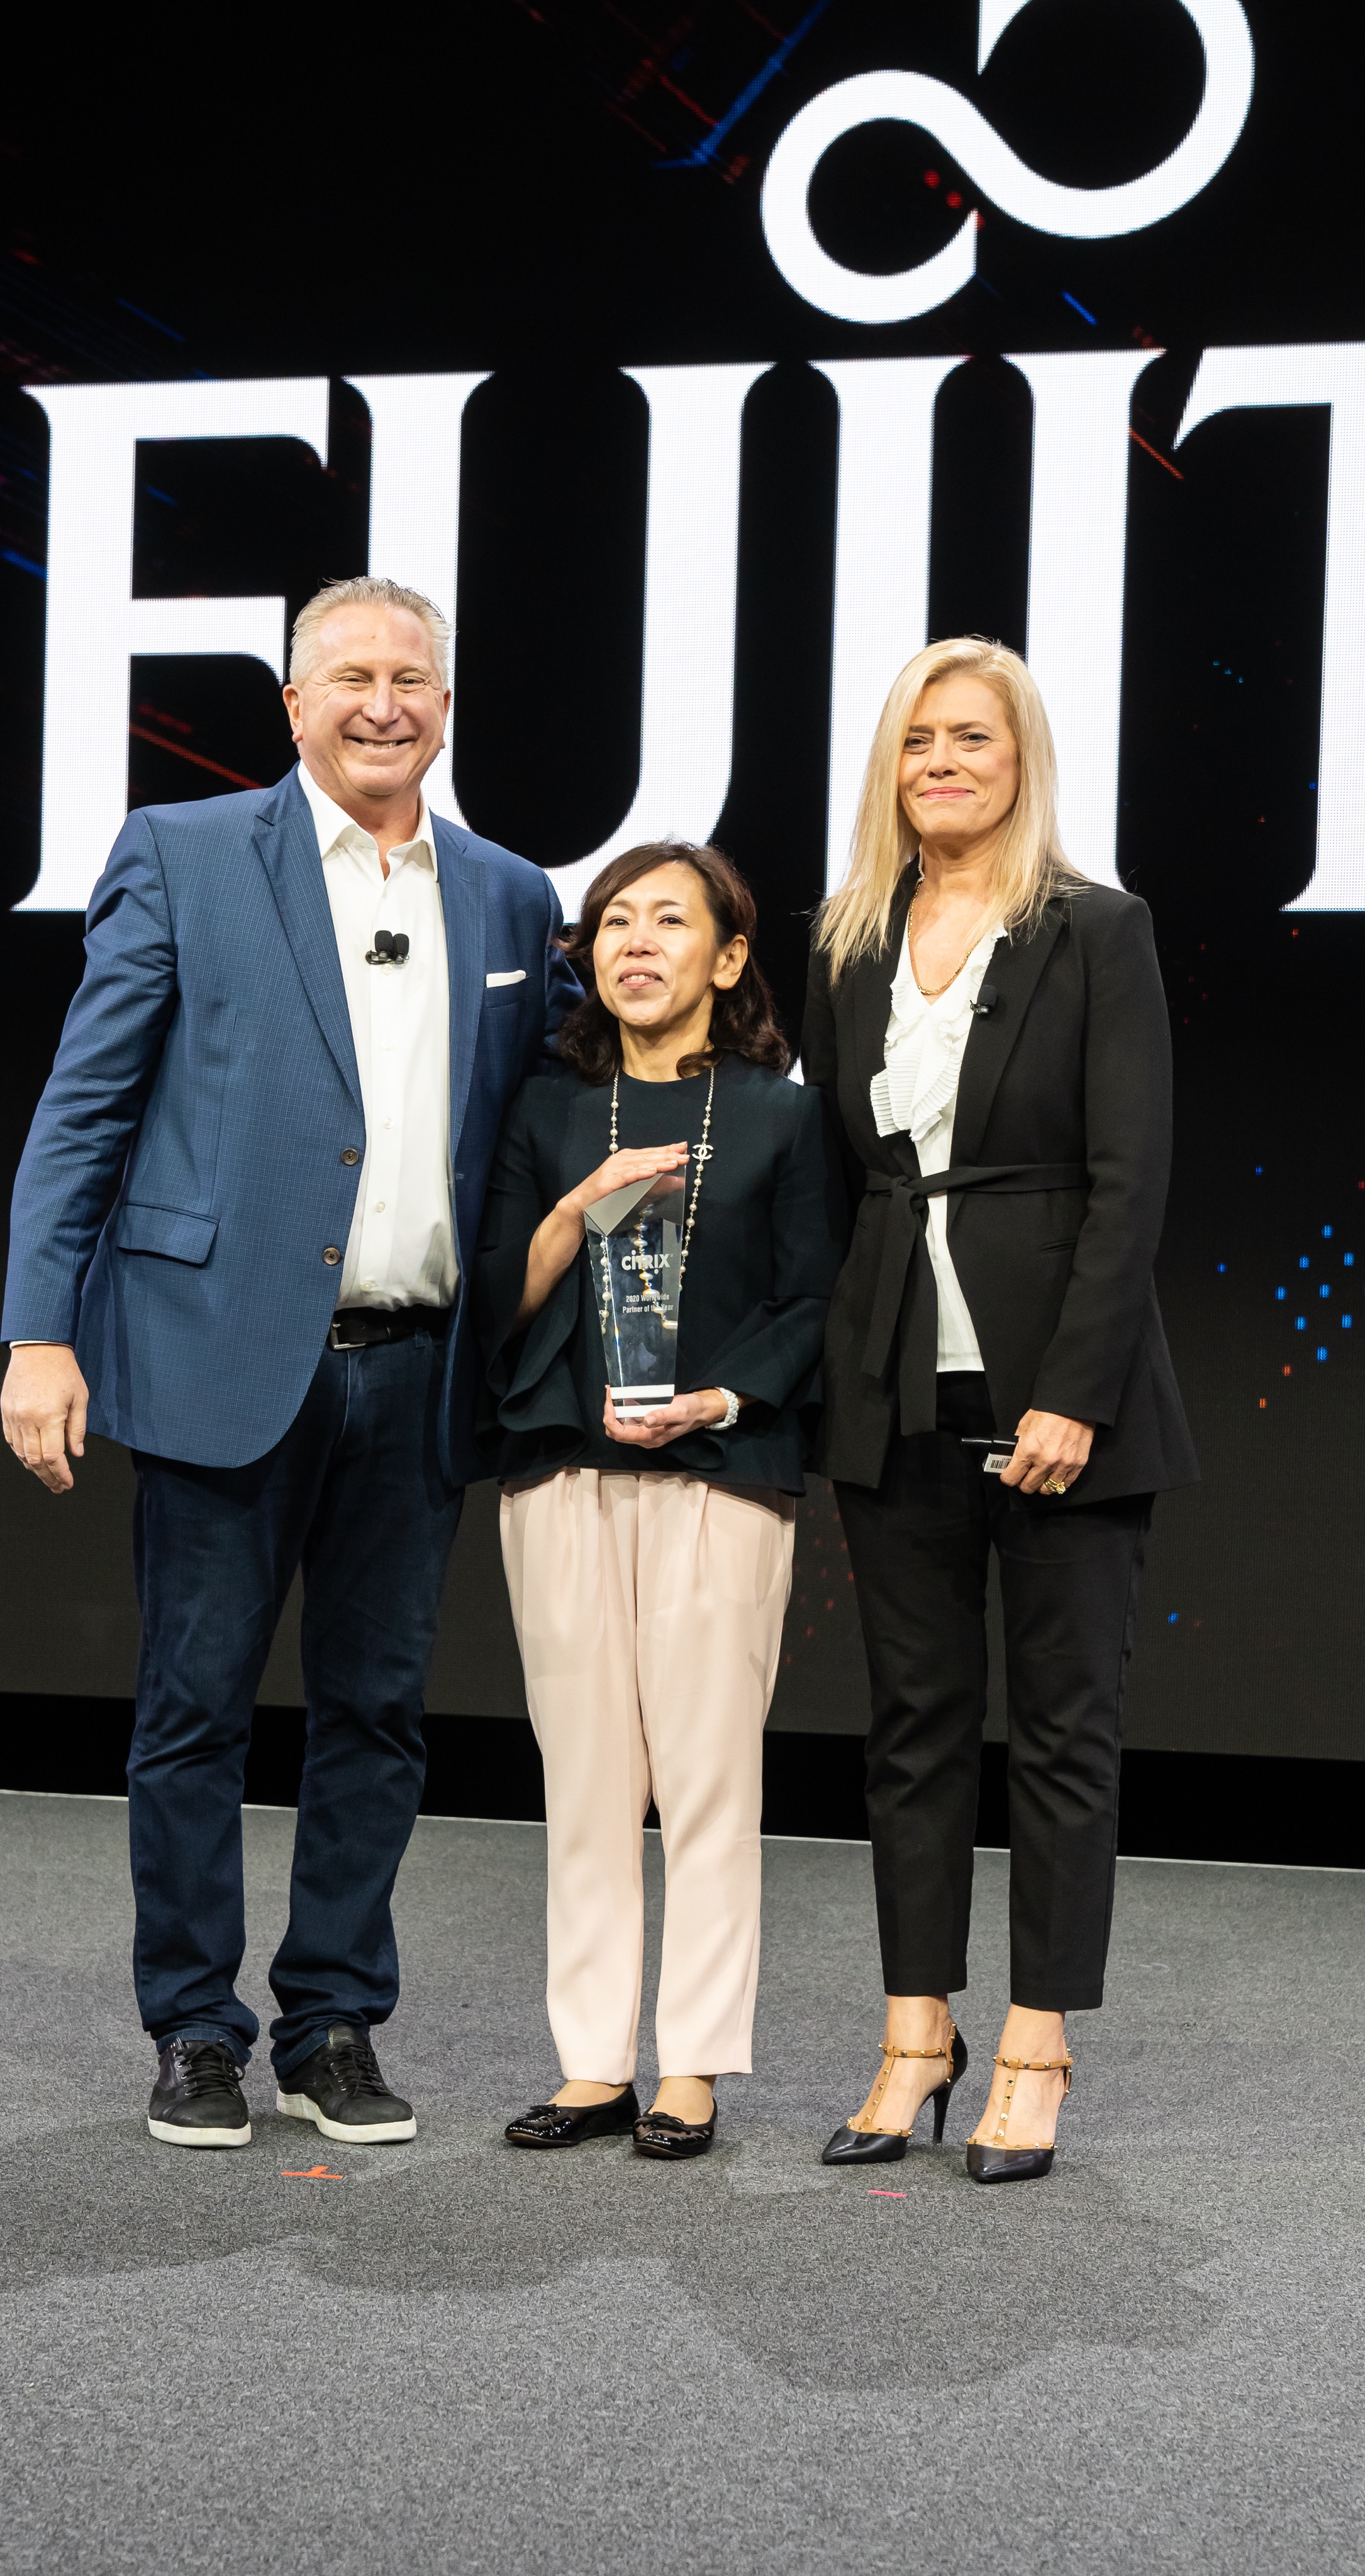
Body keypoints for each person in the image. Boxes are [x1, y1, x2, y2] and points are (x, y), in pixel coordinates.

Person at [0, 574, 582, 2151]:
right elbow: (86, 1106)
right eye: (352, 676)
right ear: (294, 702)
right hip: (213, 1355)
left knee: (378, 1711)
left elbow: (557, 1113)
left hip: (418, 1366)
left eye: (413, 676)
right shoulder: (183, 855)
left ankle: (334, 2015)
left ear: (446, 704)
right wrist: (39, 1329)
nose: (384, 702)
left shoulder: (516, 897)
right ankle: (195, 2022)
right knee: (192, 1706)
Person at [802, 637, 1198, 2184]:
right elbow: (842, 1189)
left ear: (1023, 755)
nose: (943, 762)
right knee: (911, 1727)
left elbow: (1131, 1183)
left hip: (1061, 1401)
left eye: (972, 736)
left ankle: (1036, 2040)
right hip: (895, 1388)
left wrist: (1074, 1396)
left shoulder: (1099, 929)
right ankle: (916, 2033)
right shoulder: (851, 941)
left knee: (1060, 1733)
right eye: (918, 742)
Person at [477, 841, 846, 2160]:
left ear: (729, 957)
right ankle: (591, 2065)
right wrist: (574, 1210)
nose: (636, 942)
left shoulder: (781, 1115)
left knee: (704, 1785)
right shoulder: (543, 1113)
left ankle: (689, 2067)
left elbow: (812, 1301)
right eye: (615, 921)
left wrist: (724, 1396)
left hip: (716, 1480)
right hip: (565, 1469)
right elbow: (499, 1303)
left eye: (670, 921)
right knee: (584, 1784)